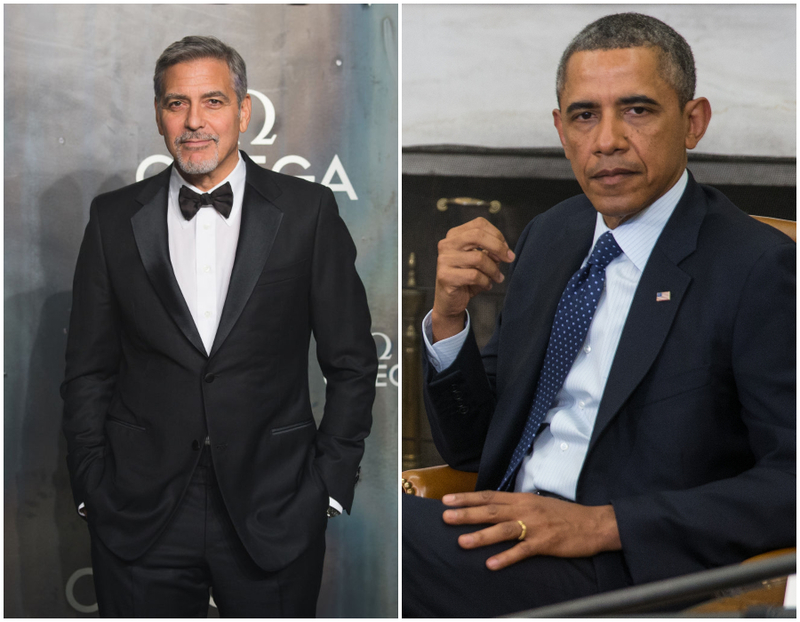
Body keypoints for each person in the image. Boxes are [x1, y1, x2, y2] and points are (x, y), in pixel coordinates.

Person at [403, 13, 795, 617]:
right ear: (561, 129)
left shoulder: (757, 266)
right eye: (585, 115)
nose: (607, 140)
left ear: (693, 122)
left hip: (628, 569)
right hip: (505, 539)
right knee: (326, 500)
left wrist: (603, 525)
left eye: (637, 110)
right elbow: (473, 448)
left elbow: (790, 483)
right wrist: (450, 319)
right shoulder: (551, 235)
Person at [61, 35, 377, 617]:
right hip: (138, 510)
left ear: (243, 110)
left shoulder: (308, 213)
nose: (194, 122)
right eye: (177, 103)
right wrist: (92, 488)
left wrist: (326, 488)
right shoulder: (112, 220)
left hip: (274, 504)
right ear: (159, 116)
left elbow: (354, 363)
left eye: (212, 101)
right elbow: (87, 369)